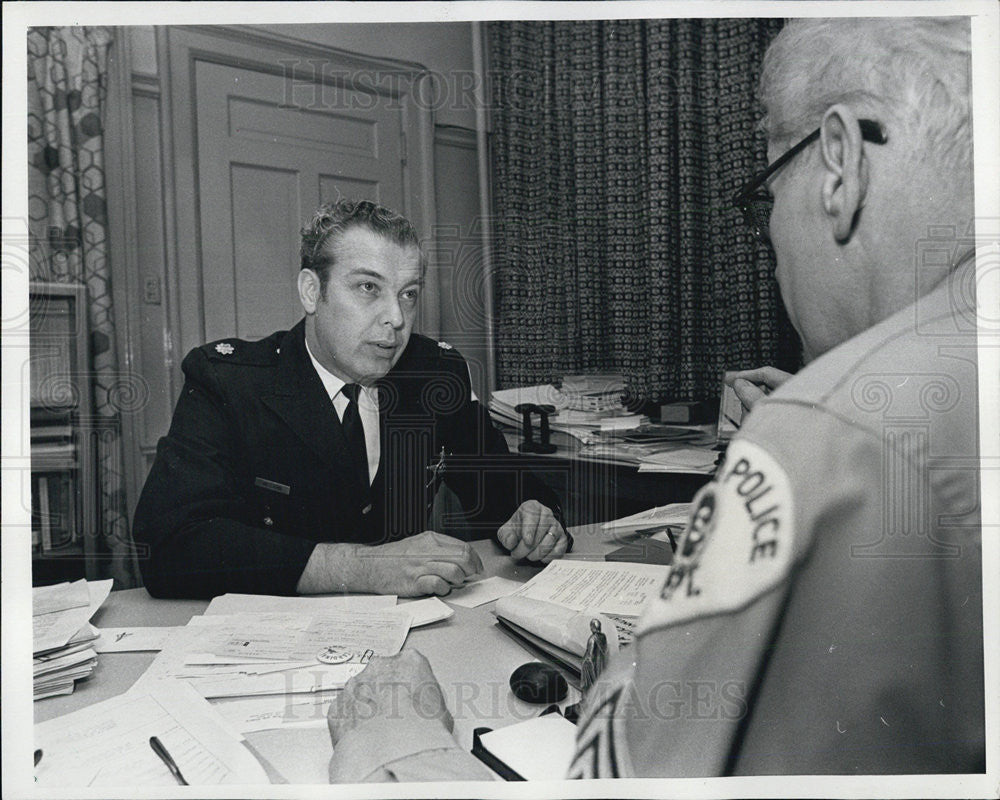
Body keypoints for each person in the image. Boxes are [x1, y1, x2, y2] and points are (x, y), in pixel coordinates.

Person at [324, 16, 985, 781]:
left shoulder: (828, 433)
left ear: (837, 165)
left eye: (765, 195)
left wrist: (396, 737)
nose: (769, 247)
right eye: (367, 290)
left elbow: (627, 778)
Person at [133, 199, 570, 599]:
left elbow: (507, 491)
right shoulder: (228, 381)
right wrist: (360, 568)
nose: (396, 318)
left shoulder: (434, 375)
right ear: (311, 291)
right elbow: (171, 547)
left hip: (415, 634)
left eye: (408, 294)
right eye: (368, 288)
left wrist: (535, 519)